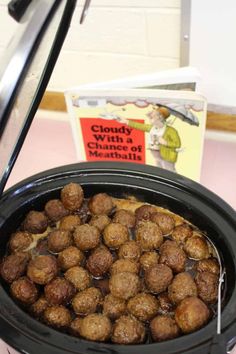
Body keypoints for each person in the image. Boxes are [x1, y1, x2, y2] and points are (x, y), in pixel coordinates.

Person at [118, 105, 181, 172]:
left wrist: (165, 142)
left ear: (160, 117)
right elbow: (139, 126)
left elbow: (177, 144)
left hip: (166, 156)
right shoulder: (152, 128)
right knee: (160, 172)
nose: (150, 117)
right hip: (156, 155)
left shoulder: (171, 130)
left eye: (153, 116)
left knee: (169, 172)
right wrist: (127, 122)